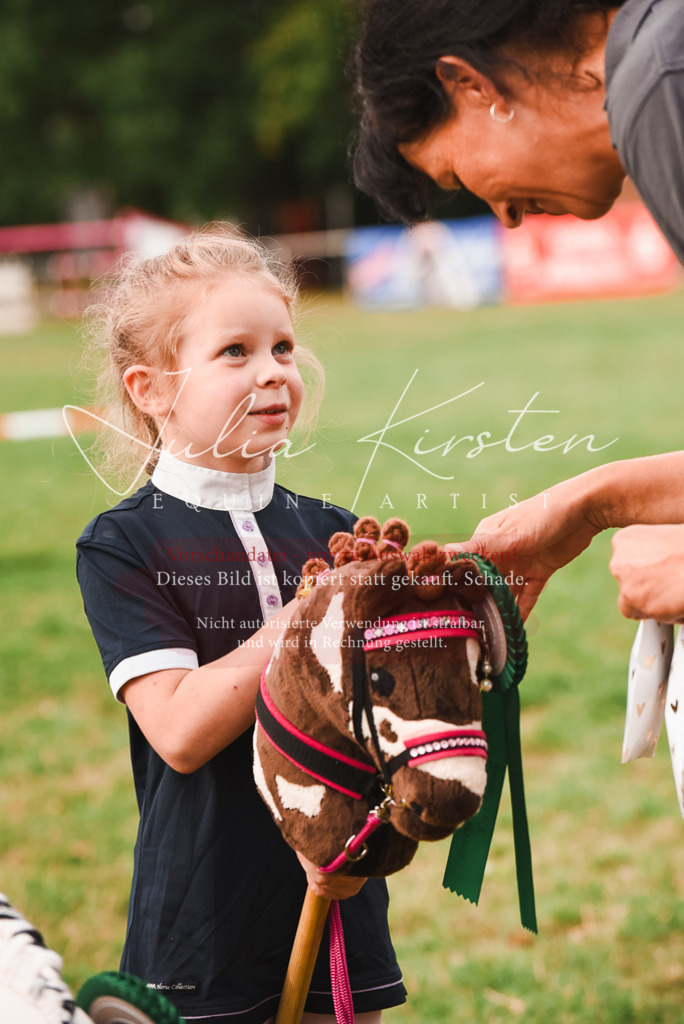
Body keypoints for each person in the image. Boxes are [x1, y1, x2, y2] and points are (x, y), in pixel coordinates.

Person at [75, 227, 406, 1024]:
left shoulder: (333, 530)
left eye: (284, 348)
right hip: (206, 905)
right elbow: (182, 729)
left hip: (335, 888)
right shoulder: (125, 543)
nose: (272, 372)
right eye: (235, 352)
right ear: (151, 389)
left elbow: (383, 720)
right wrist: (308, 612)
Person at [352, 0, 684, 621]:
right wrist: (592, 504)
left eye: (456, 175)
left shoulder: (662, 86)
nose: (501, 214)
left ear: (474, 87)